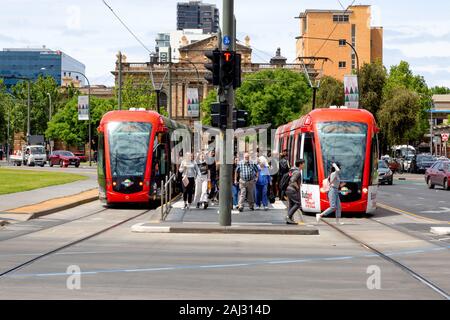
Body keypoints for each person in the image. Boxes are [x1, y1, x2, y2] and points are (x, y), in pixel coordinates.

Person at [285, 159, 305, 225]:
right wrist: (297, 187)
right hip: (292, 190)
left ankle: (290, 219)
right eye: (303, 164)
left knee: (291, 204)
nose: (304, 165)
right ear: (300, 164)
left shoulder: (292, 170)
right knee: (298, 203)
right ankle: (288, 217)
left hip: (289, 189)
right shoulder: (297, 172)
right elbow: (292, 180)